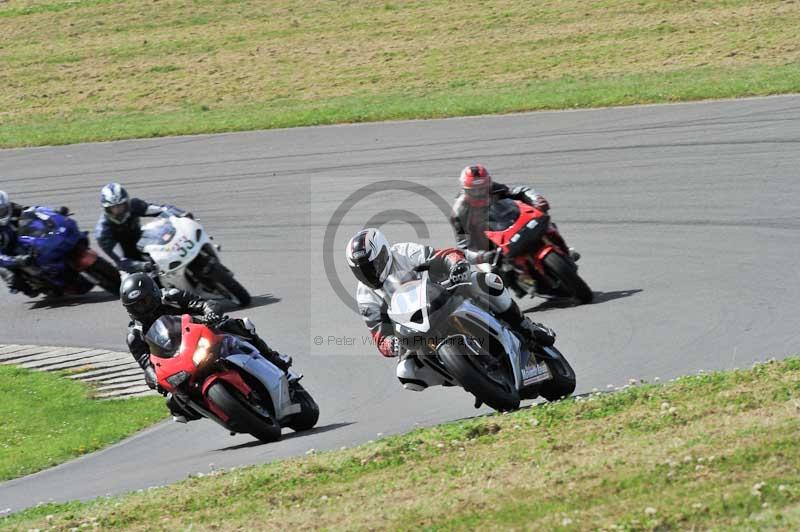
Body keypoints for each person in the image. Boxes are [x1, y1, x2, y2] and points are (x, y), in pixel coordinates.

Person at [345, 228, 555, 391]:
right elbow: (378, 334)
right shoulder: (365, 295)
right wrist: (390, 345)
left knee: (487, 281)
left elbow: (442, 255)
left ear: (384, 253)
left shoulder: (403, 252)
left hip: (440, 297)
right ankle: (463, 374)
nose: (368, 273)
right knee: (406, 373)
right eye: (361, 270)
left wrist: (457, 265)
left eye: (370, 265)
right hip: (414, 329)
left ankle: (525, 325)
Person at [120, 273, 291, 422]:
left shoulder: (172, 297)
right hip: (179, 361)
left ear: (155, 293)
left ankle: (274, 358)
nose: (142, 308)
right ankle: (218, 411)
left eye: (145, 301)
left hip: (203, 334)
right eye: (136, 305)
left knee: (238, 325)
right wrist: (153, 378)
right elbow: (146, 364)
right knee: (174, 402)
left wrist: (211, 313)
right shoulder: (135, 336)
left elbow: (203, 304)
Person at [449, 164, 577, 296]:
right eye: (474, 191)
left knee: (545, 222)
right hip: (485, 244)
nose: (480, 193)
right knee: (491, 278)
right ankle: (514, 297)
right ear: (465, 190)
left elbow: (521, 191)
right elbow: (464, 248)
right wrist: (482, 255)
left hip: (506, 225)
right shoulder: (459, 213)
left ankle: (563, 250)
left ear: (489, 183)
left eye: (483, 189)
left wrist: (537, 200)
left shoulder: (495, 189)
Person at [95, 183, 191, 272]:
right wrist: (142, 266)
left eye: (121, 206)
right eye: (113, 208)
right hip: (129, 263)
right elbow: (121, 260)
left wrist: (181, 214)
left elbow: (162, 209)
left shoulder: (134, 205)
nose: (118, 211)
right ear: (106, 209)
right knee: (136, 285)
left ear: (127, 203)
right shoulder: (103, 232)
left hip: (144, 244)